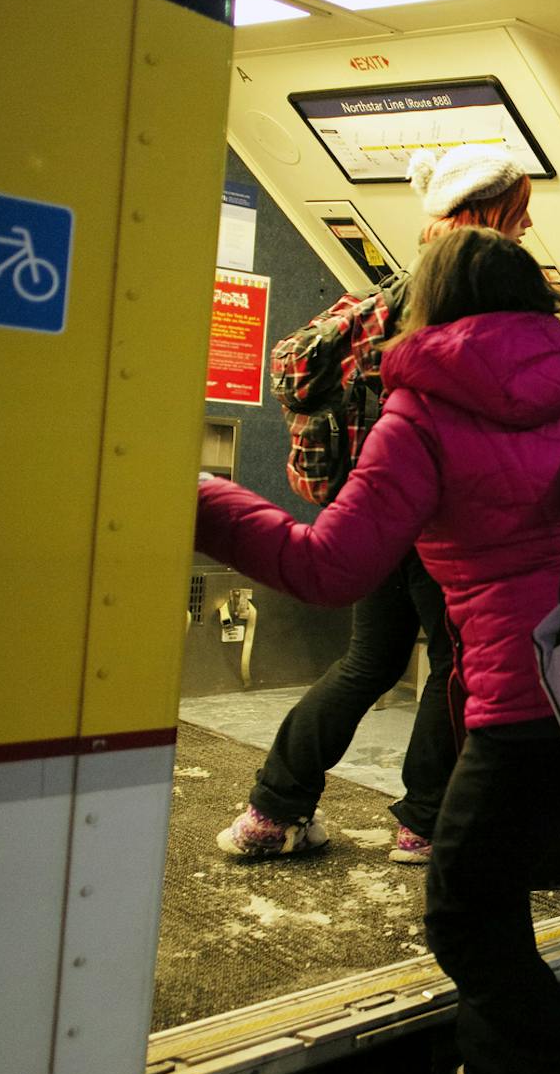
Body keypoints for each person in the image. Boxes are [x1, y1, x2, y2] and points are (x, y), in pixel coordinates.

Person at [193, 224, 560, 1074]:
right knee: (493, 898)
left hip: (518, 705)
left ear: (432, 306)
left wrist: (202, 499)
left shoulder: (420, 414)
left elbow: (329, 566)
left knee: (464, 916)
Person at [217, 144, 539, 863]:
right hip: (430, 512)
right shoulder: (460, 291)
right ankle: (424, 823)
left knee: (371, 659)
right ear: (484, 215)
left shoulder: (391, 288)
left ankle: (273, 808)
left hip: (374, 506)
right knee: (453, 660)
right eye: (518, 218)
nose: (523, 233)